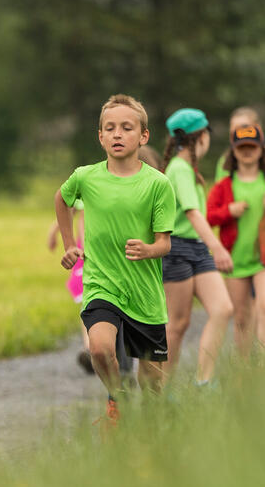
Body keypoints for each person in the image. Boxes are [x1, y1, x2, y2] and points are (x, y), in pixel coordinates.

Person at [54, 94, 174, 430]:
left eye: (126, 128)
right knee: (100, 349)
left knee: (152, 384)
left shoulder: (158, 184)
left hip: (144, 292)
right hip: (101, 283)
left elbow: (165, 243)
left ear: (143, 136)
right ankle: (118, 398)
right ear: (101, 136)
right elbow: (61, 200)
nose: (118, 134)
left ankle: (151, 429)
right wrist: (68, 244)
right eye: (110, 128)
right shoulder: (86, 177)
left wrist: (149, 249)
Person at [159, 108, 233, 385]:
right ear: (200, 137)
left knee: (222, 308)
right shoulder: (178, 168)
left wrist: (208, 246)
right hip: (177, 249)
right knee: (177, 324)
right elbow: (192, 212)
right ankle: (161, 391)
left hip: (197, 249)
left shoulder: (187, 169)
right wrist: (218, 247)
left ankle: (203, 381)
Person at [207, 124, 265, 354]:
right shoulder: (224, 186)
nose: (247, 151)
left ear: (261, 150)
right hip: (235, 259)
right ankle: (244, 375)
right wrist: (229, 210)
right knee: (242, 318)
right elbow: (208, 217)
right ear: (233, 151)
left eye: (252, 147)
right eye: (241, 147)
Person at [47, 203, 94, 373]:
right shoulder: (86, 179)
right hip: (85, 251)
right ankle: (90, 348)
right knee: (86, 298)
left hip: (107, 248)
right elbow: (69, 209)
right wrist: (54, 231)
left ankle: (100, 348)